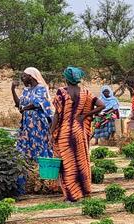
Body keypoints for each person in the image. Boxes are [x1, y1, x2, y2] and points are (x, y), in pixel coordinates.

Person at [50, 66, 105, 202]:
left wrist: (51, 132)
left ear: (66, 78)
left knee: (67, 164)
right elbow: (101, 105)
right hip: (79, 131)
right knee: (81, 162)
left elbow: (57, 114)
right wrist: (85, 115)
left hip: (65, 132)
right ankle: (84, 191)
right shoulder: (86, 92)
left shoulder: (61, 92)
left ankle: (72, 195)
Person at [11, 67, 53, 160]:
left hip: (38, 123)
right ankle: (29, 163)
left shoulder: (41, 88)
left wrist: (24, 109)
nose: (22, 78)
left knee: (38, 142)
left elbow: (37, 103)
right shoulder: (27, 90)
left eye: (24, 76)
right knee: (27, 142)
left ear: (31, 76)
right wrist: (13, 89)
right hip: (27, 123)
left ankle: (40, 164)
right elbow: (18, 104)